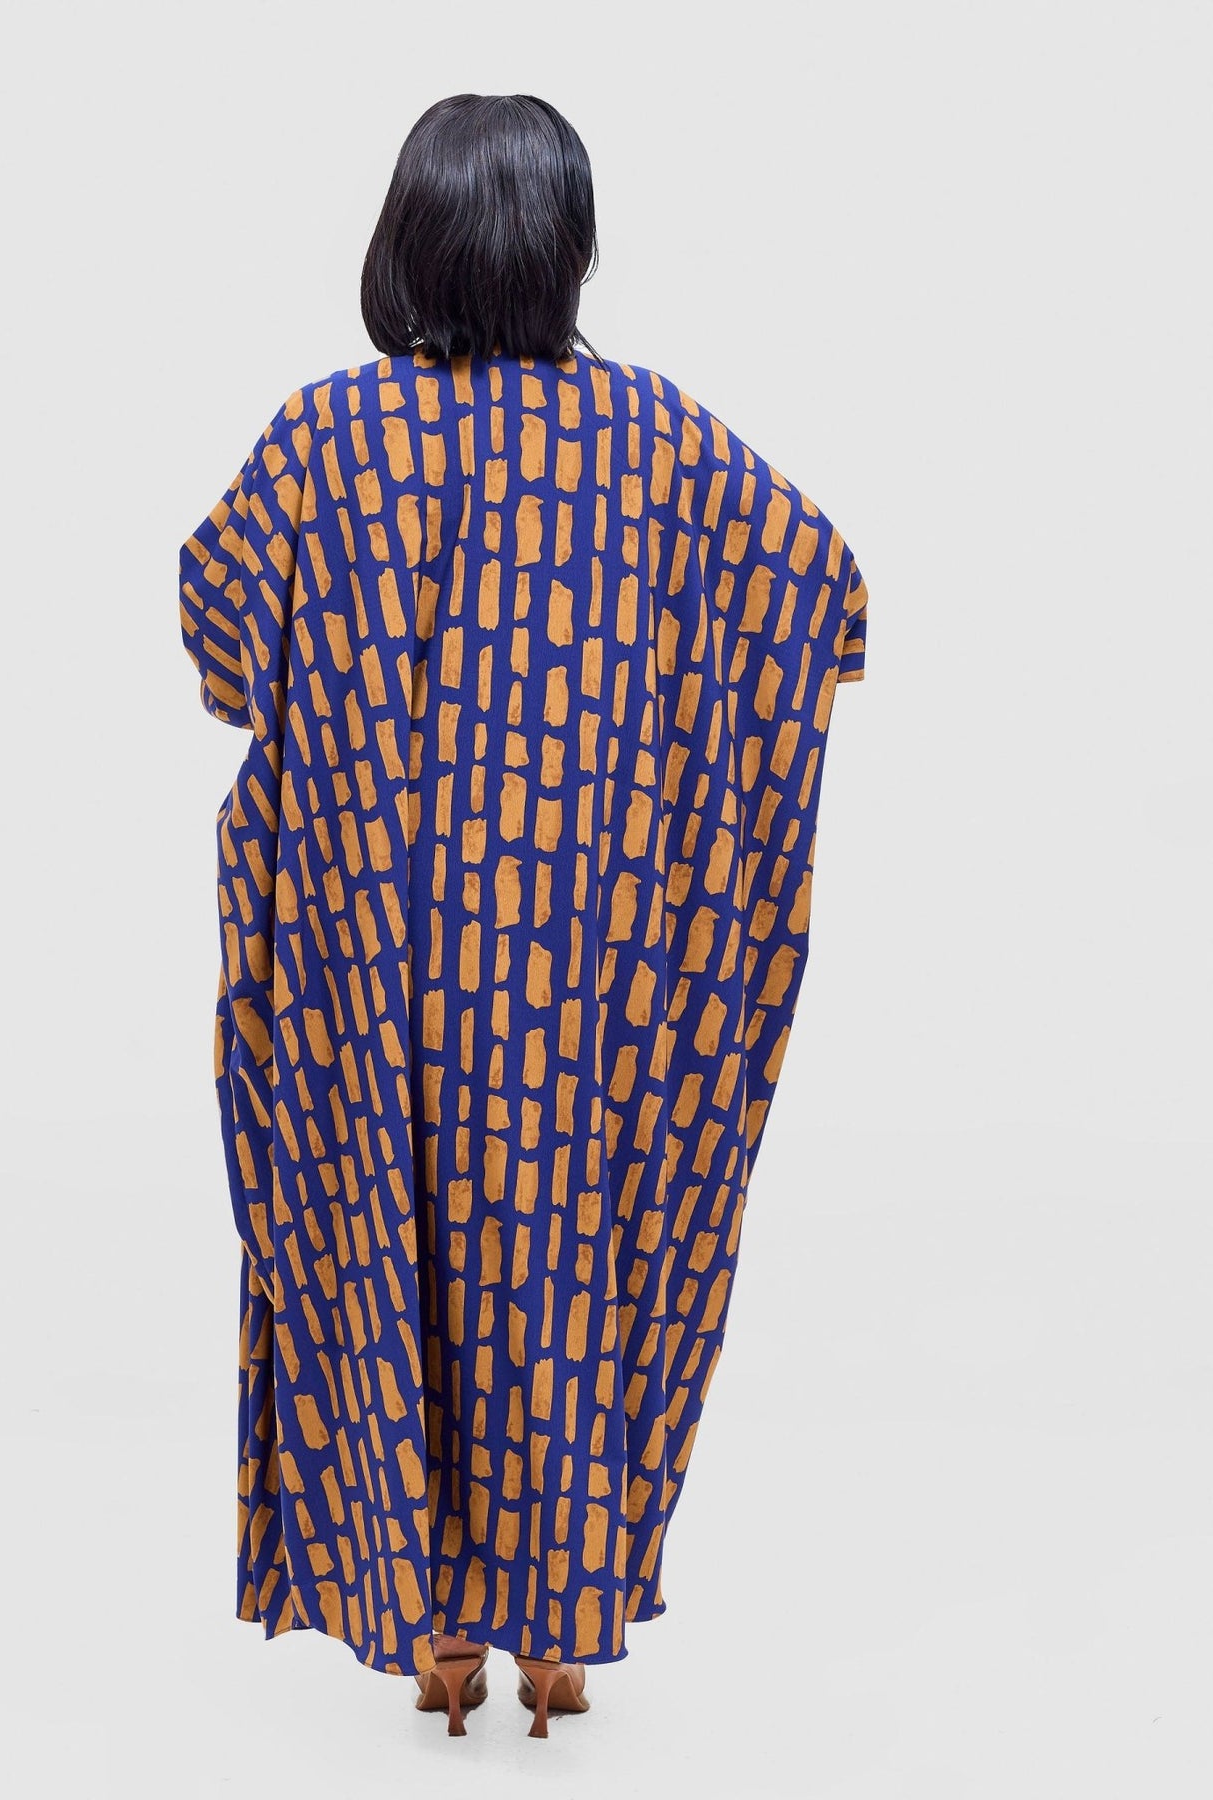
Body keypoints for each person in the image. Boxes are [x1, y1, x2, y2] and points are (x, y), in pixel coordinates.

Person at [178, 92, 869, 1742]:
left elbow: (216, 643)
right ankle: (561, 1627)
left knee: (374, 1254)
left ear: (406, 242)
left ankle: (429, 1634)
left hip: (367, 975)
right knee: (572, 1258)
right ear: (568, 245)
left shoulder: (324, 441)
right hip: (581, 988)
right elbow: (825, 598)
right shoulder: (661, 445)